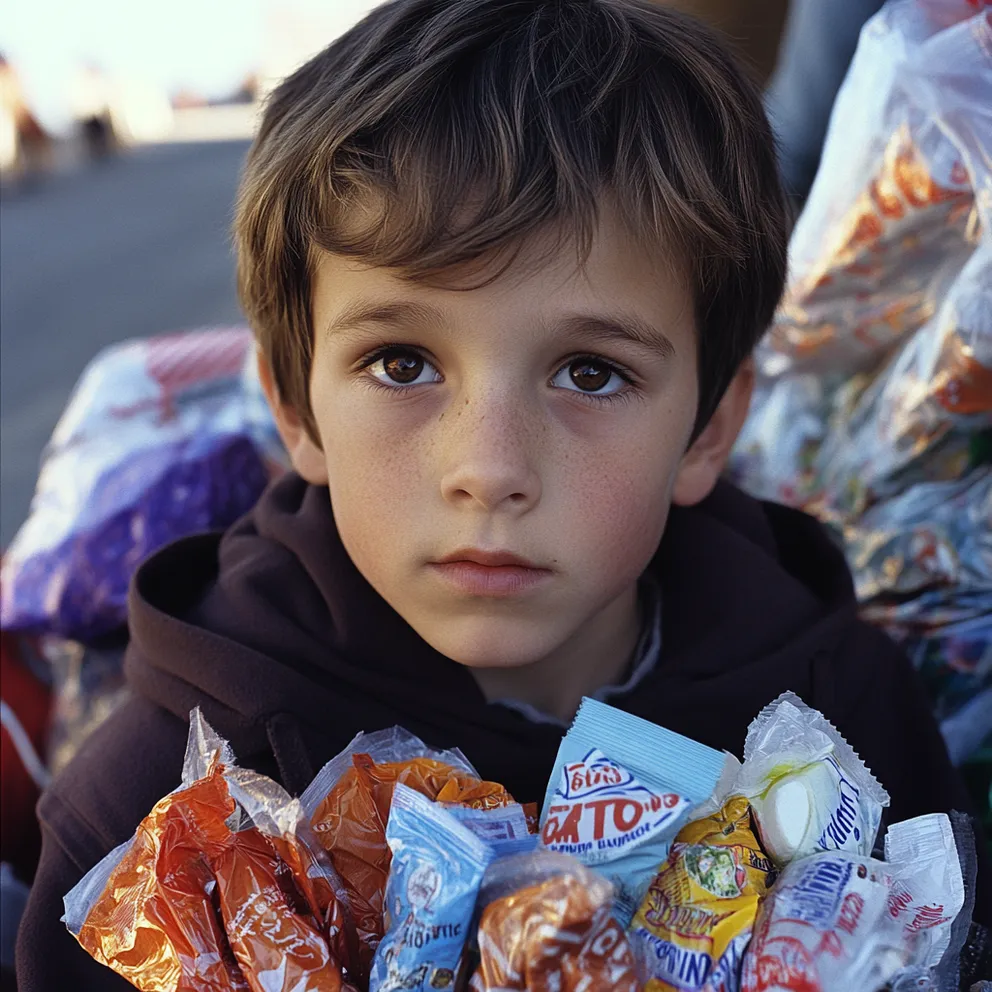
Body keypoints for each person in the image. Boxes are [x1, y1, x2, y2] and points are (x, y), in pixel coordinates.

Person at [15, 0, 989, 986]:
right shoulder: (169, 808)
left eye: (589, 373)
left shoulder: (843, 719)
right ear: (298, 411)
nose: (487, 466)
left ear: (706, 427)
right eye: (402, 362)